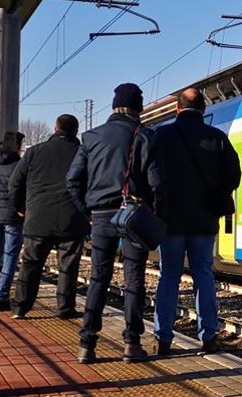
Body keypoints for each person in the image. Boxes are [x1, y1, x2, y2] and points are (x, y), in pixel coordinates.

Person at [142, 88, 240, 356]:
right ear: (204, 110)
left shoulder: (160, 136)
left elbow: (149, 174)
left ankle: (162, 339)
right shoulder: (217, 137)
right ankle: (208, 337)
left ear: (177, 109)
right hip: (204, 221)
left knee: (169, 276)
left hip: (170, 221)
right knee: (204, 276)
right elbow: (234, 176)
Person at [67, 83, 150, 363]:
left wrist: (87, 212)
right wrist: (153, 210)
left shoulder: (91, 137)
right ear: (137, 108)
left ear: (114, 106)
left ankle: (86, 344)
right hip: (133, 215)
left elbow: (72, 180)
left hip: (101, 216)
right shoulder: (144, 136)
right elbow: (158, 182)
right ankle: (132, 343)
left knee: (98, 279)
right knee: (133, 279)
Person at [10, 115, 88, 320]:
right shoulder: (82, 153)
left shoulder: (34, 152)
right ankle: (65, 308)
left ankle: (20, 307)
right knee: (68, 266)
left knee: (31, 264)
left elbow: (15, 183)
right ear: (75, 131)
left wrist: (20, 207)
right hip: (71, 219)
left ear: (55, 129)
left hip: (38, 218)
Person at [0, 132, 25, 312]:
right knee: (10, 256)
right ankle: (1, 298)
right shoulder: (19, 165)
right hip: (13, 217)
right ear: (16, 146)